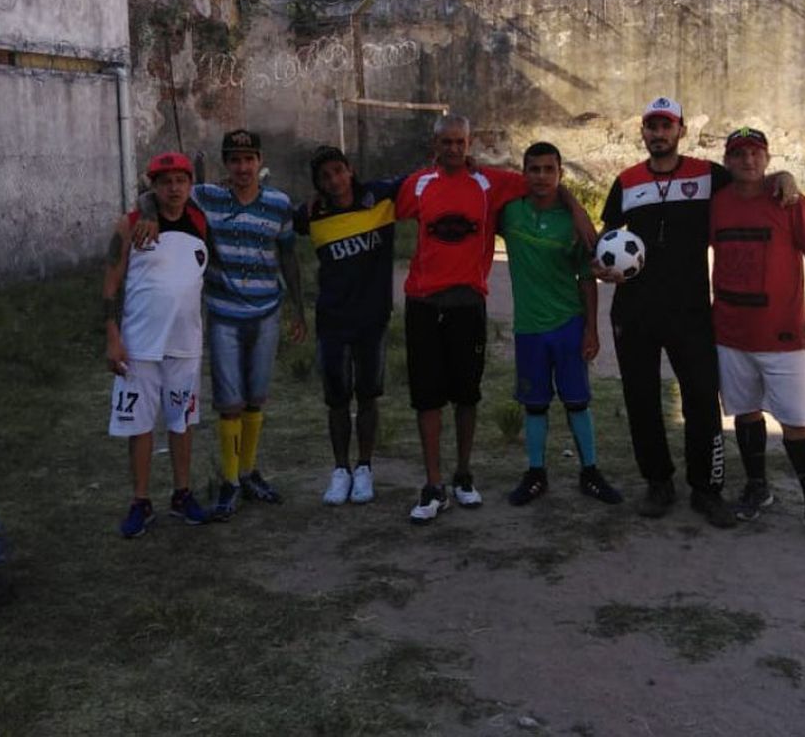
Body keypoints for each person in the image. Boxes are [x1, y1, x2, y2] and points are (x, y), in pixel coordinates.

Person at [599, 96, 798, 527]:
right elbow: (609, 235)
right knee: (642, 399)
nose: (659, 133)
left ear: (681, 131)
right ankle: (658, 483)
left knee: (703, 400)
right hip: (634, 311)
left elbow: (752, 182)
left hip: (690, 310)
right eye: (652, 126)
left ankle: (707, 489)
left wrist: (782, 175)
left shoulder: (708, 175)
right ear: (644, 133)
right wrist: (602, 263)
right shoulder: (627, 181)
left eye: (666, 126)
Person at [394, 114, 593, 524]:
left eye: (459, 142)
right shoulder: (417, 185)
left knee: (467, 395)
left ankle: (463, 476)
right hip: (423, 303)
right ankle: (434, 484)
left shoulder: (491, 184)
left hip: (468, 304)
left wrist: (576, 210)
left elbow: (548, 184)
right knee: (427, 398)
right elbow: (384, 216)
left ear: (470, 143)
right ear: (436, 145)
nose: (453, 149)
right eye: (445, 142)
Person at [135, 129, 306, 520]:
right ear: (224, 164)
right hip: (224, 313)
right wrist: (147, 214)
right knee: (228, 402)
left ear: (259, 161)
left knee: (255, 397)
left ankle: (249, 472)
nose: (242, 167)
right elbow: (155, 193)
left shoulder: (279, 203)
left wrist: (298, 307)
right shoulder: (207, 197)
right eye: (234, 160)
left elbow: (289, 256)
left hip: (266, 312)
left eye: (249, 159)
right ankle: (229, 481)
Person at [711, 127, 805, 545]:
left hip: (783, 337)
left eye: (755, 153)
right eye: (738, 154)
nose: (747, 161)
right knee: (746, 413)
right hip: (731, 334)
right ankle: (758, 488)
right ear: (727, 161)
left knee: (795, 422)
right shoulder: (715, 204)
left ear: (767, 159)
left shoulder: (789, 201)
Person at [499, 141, 622, 507]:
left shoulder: (574, 224)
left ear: (559, 173)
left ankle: (591, 472)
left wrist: (591, 329)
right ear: (523, 174)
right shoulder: (509, 214)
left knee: (577, 402)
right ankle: (536, 473)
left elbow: (587, 279)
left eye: (548, 169)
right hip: (529, 329)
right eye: (533, 169)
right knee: (534, 405)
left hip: (567, 324)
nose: (541, 176)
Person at [103, 151, 212, 538]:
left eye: (181, 180)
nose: (174, 188)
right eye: (165, 182)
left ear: (189, 183)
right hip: (140, 345)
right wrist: (112, 336)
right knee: (141, 425)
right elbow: (112, 283)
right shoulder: (132, 223)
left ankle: (183, 494)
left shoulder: (200, 220)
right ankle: (140, 501)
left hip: (185, 344)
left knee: (183, 421)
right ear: (153, 186)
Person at [292, 146, 405, 505]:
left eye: (339, 171)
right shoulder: (311, 215)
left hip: (373, 318)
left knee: (369, 395)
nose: (334, 180)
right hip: (333, 321)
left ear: (350, 170)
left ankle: (365, 468)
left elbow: (419, 180)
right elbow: (287, 224)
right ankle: (340, 470)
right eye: (325, 177)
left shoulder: (380, 197)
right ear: (318, 185)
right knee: (337, 399)